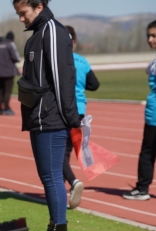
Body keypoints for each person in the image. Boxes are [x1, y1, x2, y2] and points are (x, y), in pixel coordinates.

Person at [13, 0, 81, 231]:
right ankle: (54, 229)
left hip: (52, 118)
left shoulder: (52, 30)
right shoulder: (38, 34)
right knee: (47, 176)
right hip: (38, 117)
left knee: (52, 177)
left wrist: (71, 118)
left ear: (38, 6)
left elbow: (63, 78)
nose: (21, 19)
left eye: (23, 13)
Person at [123, 19, 156, 201]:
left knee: (147, 151)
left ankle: (142, 189)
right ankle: (142, 188)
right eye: (148, 36)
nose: (150, 39)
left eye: (154, 35)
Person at [63, 25, 100, 209]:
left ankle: (73, 182)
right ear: (74, 42)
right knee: (67, 150)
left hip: (62, 110)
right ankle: (61, 191)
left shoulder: (59, 59)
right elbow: (95, 84)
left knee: (57, 153)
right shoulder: (82, 61)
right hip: (80, 111)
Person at [0, 31, 21, 115]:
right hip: (8, 72)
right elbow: (16, 58)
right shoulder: (10, 44)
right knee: (7, 91)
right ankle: (6, 108)